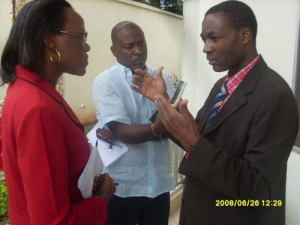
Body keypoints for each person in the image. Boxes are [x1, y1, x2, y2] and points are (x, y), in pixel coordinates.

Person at [131, 1, 299, 225]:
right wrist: (163, 103)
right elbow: (200, 141)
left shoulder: (275, 96)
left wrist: (193, 142)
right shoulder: (224, 84)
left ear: (245, 36)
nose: (205, 47)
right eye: (203, 39)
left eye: (214, 38)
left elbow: (258, 188)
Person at [0, 0, 115, 224]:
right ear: (51, 41)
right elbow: (54, 221)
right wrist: (101, 201)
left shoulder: (23, 88)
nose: (87, 46)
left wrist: (78, 180)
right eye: (82, 36)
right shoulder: (38, 107)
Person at [93, 21, 175, 225]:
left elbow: (173, 127)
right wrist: (156, 128)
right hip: (121, 186)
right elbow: (122, 131)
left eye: (142, 44)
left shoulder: (162, 78)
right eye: (130, 46)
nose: (138, 51)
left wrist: (134, 132)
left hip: (158, 184)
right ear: (114, 50)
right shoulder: (106, 82)